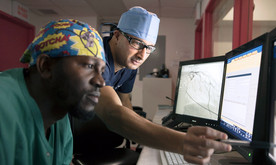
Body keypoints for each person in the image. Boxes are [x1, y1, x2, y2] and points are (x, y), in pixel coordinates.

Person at [95, 6, 232, 164]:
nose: (142, 55)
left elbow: (125, 102)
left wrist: (143, 131)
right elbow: (113, 113)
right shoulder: (97, 58)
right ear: (117, 35)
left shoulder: (129, 65)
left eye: (149, 48)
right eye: (137, 43)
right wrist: (180, 142)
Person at [0, 19, 106, 164]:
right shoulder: (4, 108)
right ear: (46, 66)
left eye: (102, 71)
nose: (101, 81)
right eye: (89, 66)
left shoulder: (59, 111)